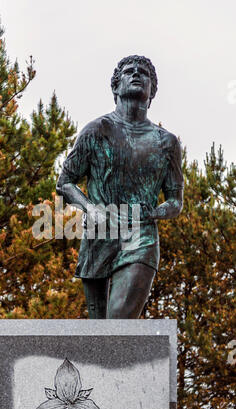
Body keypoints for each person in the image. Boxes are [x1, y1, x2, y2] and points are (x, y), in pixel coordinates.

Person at [56, 55, 184, 319]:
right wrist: (89, 208)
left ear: (152, 91)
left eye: (144, 73)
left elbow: (175, 201)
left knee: (119, 322)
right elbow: (65, 182)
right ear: (116, 87)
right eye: (129, 71)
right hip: (99, 235)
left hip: (141, 236)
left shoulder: (166, 142)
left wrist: (157, 212)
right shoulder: (96, 131)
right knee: (98, 332)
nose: (136, 73)